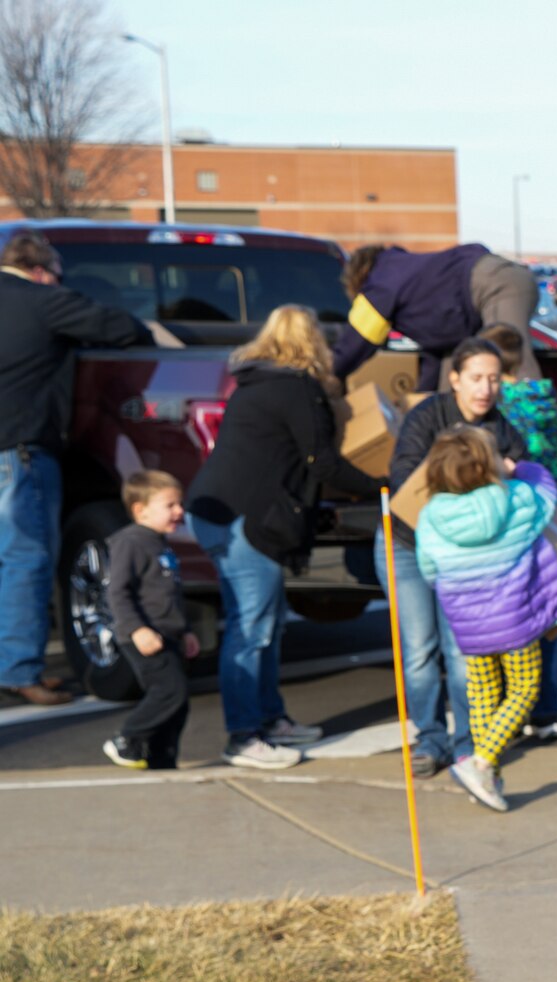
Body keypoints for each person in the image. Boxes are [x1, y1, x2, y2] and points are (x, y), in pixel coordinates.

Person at [186, 304, 374, 770]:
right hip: (248, 519)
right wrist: (384, 484)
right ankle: (244, 735)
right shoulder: (297, 388)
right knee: (252, 630)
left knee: (263, 624)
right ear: (312, 342)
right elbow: (322, 462)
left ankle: (270, 719)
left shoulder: (254, 382)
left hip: (217, 510)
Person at [0, 227, 151, 707]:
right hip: (19, 449)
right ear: (42, 271)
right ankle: (20, 671)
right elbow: (124, 329)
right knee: (25, 560)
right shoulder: (43, 301)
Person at [383, 338, 529, 775]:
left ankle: (467, 743)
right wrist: (481, 476)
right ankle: (429, 739)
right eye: (476, 378)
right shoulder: (426, 416)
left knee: (463, 652)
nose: (485, 388)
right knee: (418, 650)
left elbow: (522, 484)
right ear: (454, 380)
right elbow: (404, 474)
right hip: (408, 545)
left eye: (493, 379)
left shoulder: (504, 431)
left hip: (466, 560)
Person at [413, 426, 557, 812]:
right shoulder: (517, 499)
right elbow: (548, 494)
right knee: (522, 690)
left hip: (468, 626)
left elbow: (429, 570)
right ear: (490, 465)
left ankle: (489, 777)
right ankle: (481, 762)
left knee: (484, 693)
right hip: (516, 621)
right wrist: (521, 468)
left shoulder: (431, 516)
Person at [480, 322, 557, 742]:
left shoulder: (499, 410)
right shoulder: (545, 400)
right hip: (550, 511)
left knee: (512, 619)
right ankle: (548, 712)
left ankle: (509, 710)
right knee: (551, 613)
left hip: (514, 521)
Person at [332, 242, 540, 391]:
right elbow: (436, 360)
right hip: (488, 285)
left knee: (507, 361)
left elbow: (355, 343)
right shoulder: (409, 280)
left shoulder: (381, 283)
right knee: (453, 386)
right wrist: (420, 402)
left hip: (496, 284)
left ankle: (541, 442)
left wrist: (326, 376)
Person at [101, 471, 198, 770]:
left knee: (178, 702)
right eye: (170, 505)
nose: (179, 511)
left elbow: (168, 595)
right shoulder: (130, 542)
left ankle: (161, 759)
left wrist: (185, 631)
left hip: (167, 634)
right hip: (143, 636)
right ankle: (127, 738)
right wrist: (137, 629)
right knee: (170, 691)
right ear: (140, 510)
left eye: (180, 504)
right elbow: (117, 592)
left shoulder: (159, 543)